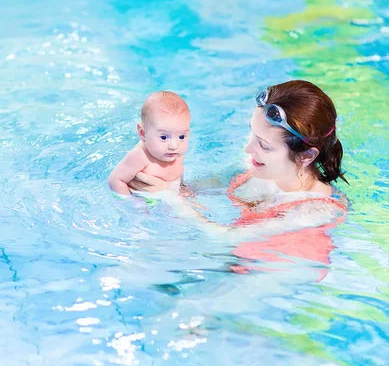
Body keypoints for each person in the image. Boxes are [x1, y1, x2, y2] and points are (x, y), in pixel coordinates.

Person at [128, 80, 348, 278]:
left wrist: (170, 198)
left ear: (307, 156)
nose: (248, 148)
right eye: (252, 133)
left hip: (271, 273)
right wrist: (166, 174)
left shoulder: (315, 211)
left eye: (263, 145)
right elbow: (189, 190)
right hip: (235, 259)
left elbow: (225, 238)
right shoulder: (262, 169)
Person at [108, 91, 191, 195]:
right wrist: (132, 202)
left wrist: (183, 188)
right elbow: (115, 180)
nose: (174, 146)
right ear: (143, 133)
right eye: (164, 137)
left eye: (182, 136)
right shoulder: (139, 156)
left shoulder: (176, 153)